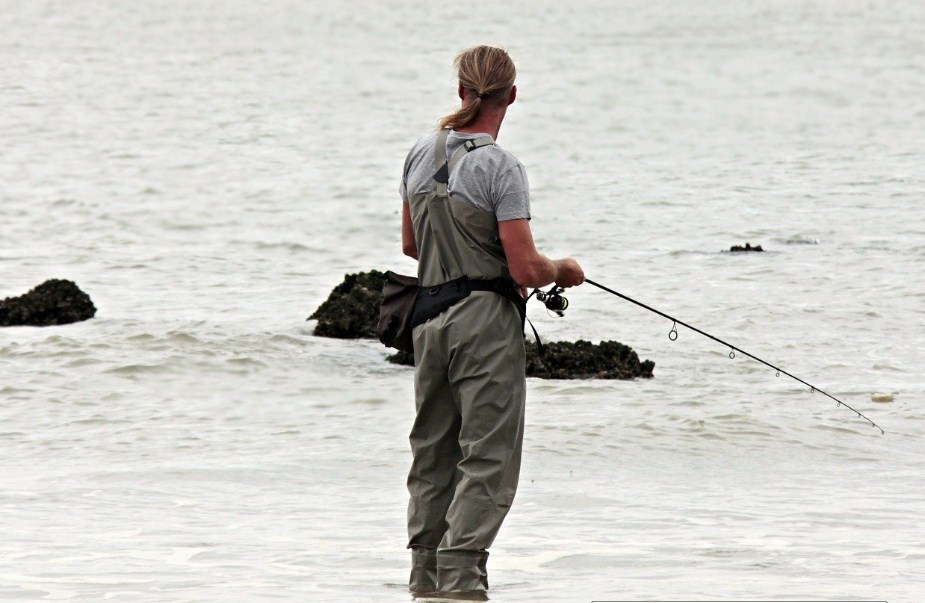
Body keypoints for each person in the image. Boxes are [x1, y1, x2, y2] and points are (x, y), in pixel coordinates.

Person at [399, 45, 584, 599]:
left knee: (433, 453)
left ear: (461, 91)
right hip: (483, 323)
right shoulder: (500, 165)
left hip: (427, 320)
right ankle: (461, 578)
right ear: (512, 95)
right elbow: (526, 266)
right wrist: (564, 270)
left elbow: (412, 246)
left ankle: (424, 579)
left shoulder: (417, 153)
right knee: (488, 456)